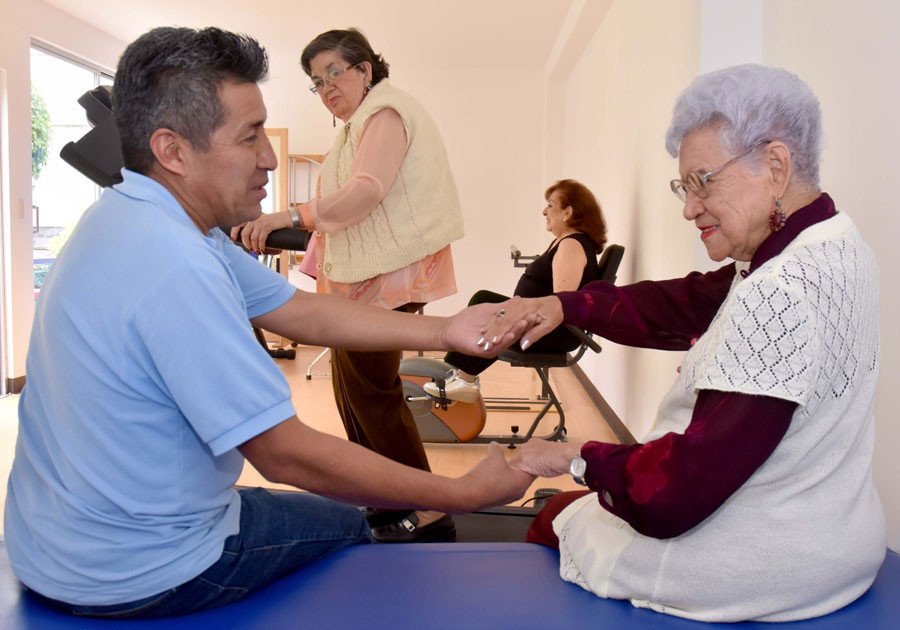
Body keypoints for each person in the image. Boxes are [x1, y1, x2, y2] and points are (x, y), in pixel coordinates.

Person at [2, 26, 533, 620]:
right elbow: (286, 454)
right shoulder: (175, 266)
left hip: (54, 543)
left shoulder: (140, 215)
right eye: (249, 135)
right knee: (353, 527)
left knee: (327, 493)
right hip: (141, 572)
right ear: (172, 151)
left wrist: (444, 330)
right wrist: (460, 492)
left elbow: (298, 310)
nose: (270, 157)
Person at [483, 64, 885, 622]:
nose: (689, 207)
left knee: (556, 519)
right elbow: (690, 302)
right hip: (841, 542)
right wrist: (565, 305)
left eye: (703, 181)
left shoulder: (781, 289)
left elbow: (676, 493)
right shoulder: (834, 243)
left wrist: (573, 456)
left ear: (775, 166)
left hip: (769, 566)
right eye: (685, 186)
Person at [231, 28, 463, 542]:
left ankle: (426, 507)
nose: (327, 86)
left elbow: (366, 192)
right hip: (367, 277)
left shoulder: (385, 113)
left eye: (335, 72)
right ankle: (382, 494)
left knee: (373, 392)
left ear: (365, 69)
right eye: (317, 81)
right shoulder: (360, 123)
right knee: (353, 391)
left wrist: (289, 215)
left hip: (388, 276)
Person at [423, 179, 607, 403]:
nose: (544, 211)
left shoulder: (572, 245)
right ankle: (458, 377)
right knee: (487, 302)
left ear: (568, 212)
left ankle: (460, 379)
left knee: (484, 300)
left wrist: (515, 313)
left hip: (554, 332)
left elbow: (560, 304)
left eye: (550, 205)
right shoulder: (566, 241)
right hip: (541, 324)